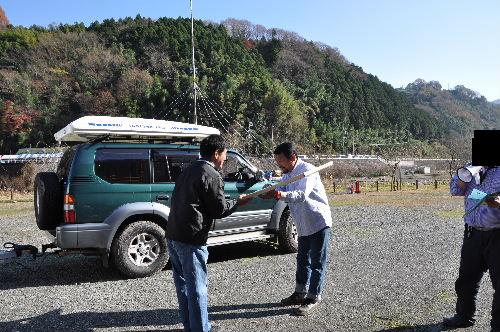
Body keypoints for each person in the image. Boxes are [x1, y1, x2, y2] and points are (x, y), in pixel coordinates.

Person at [165, 134, 250, 332]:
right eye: (224, 155)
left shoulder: (189, 170)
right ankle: (201, 329)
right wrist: (238, 201)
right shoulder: (211, 174)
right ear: (216, 153)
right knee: (197, 289)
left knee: (184, 286)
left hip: (173, 234)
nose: (224, 160)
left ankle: (191, 326)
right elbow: (219, 210)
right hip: (191, 239)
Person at [261, 142, 332, 315]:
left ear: (292, 157)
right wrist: (271, 191)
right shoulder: (287, 173)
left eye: (281, 161)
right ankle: (300, 293)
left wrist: (280, 194)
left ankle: (313, 296)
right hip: (302, 224)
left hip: (318, 222)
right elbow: (282, 188)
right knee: (302, 261)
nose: (279, 165)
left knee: (317, 263)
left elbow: (301, 195)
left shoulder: (308, 170)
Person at [443, 166, 500, 332]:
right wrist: (465, 175)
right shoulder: (470, 169)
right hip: (472, 233)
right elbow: (455, 190)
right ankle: (463, 316)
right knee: (466, 278)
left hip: (497, 235)